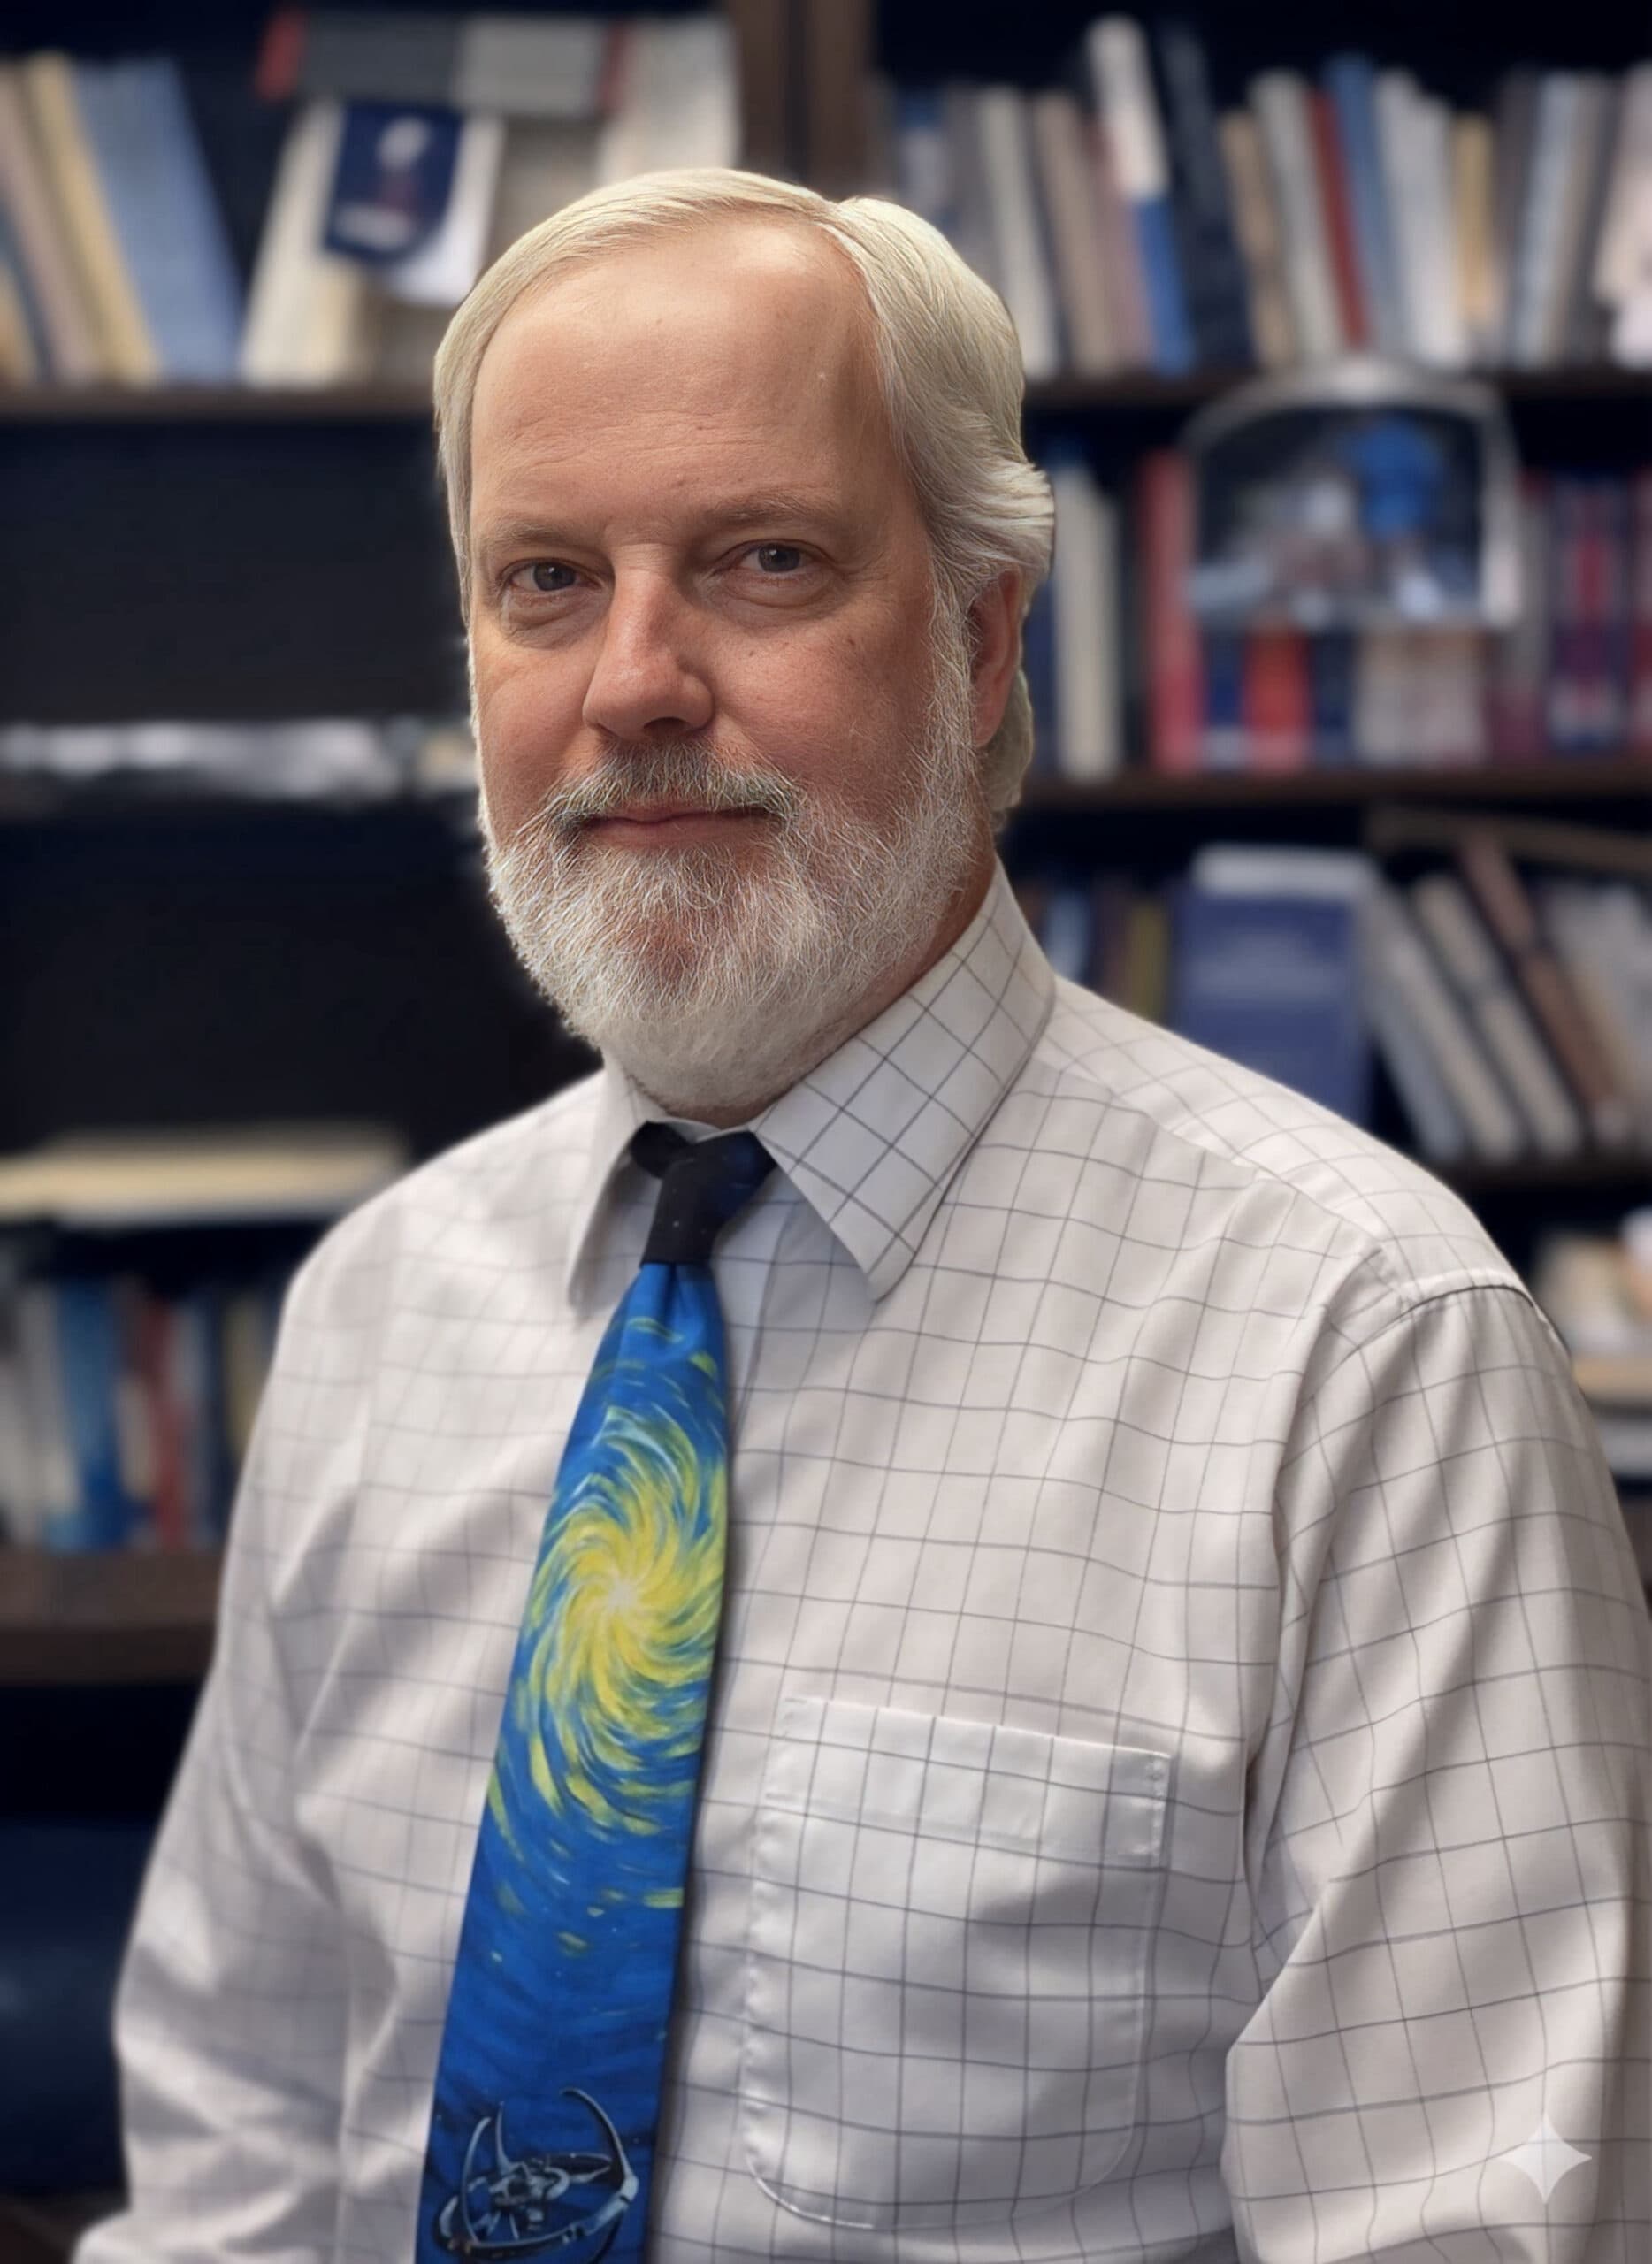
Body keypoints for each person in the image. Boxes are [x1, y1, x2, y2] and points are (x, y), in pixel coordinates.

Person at [80, 169, 1648, 2264]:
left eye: (762, 561)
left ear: (980, 637)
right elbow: (243, 2144)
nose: (634, 682)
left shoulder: (1361, 1349)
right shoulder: (381, 1304)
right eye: (546, 579)